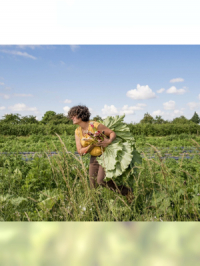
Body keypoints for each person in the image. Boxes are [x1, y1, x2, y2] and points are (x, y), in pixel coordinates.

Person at [68, 105, 133, 198]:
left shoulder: (94, 125)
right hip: (94, 158)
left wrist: (109, 141)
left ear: (81, 115)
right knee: (93, 186)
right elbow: (80, 151)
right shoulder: (77, 131)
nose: (71, 118)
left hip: (105, 155)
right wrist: (92, 144)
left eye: (73, 115)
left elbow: (111, 133)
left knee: (101, 181)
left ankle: (127, 192)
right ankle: (98, 207)